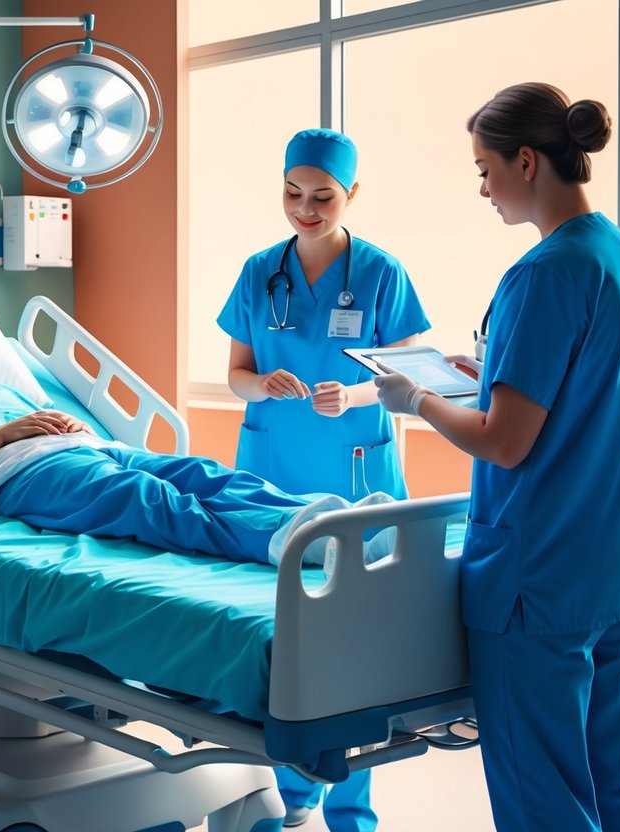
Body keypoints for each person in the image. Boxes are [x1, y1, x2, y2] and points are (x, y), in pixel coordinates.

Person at [374, 83, 620, 831]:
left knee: (544, 801)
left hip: (533, 582)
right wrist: (486, 377)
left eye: (484, 168)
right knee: (604, 783)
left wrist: (417, 401)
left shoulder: (541, 274)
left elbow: (504, 442)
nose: (481, 188)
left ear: (526, 161)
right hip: (604, 573)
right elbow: (582, 394)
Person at [0, 287, 394, 569]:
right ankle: (305, 545)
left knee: (202, 474)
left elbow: (35, 420)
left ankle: (336, 521)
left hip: (86, 448)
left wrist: (55, 426)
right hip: (19, 477)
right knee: (151, 499)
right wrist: (4, 435)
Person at [217, 128, 430, 830]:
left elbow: (407, 373)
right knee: (285, 635)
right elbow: (236, 374)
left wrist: (358, 393)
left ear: (351, 195)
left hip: (354, 462)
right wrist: (259, 384)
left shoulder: (379, 273)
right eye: (291, 194)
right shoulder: (257, 271)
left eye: (321, 197)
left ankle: (349, 804)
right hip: (274, 463)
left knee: (354, 637)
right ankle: (292, 792)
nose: (304, 209)